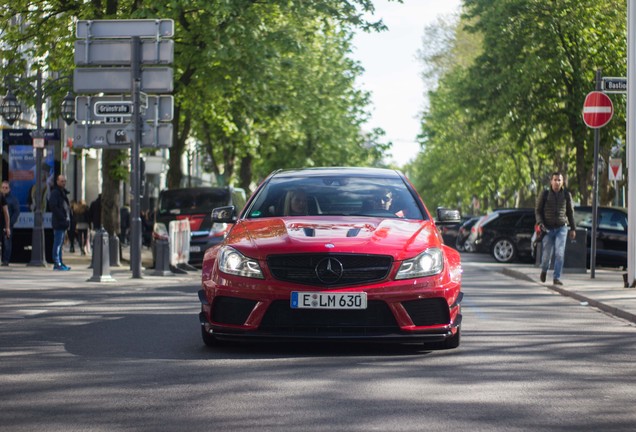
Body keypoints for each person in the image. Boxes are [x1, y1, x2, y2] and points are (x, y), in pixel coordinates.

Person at [535, 171, 576, 285]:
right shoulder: (544, 194)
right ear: (551, 181)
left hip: (561, 228)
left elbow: (570, 212)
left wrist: (573, 228)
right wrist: (540, 223)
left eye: (559, 180)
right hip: (547, 229)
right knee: (546, 255)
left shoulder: (567, 195)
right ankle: (544, 270)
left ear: (562, 182)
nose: (557, 182)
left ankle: (556, 277)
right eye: (555, 180)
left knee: (559, 253)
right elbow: (538, 211)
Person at [49, 175, 72, 271]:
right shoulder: (55, 193)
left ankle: (60, 262)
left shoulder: (61, 193)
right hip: (59, 222)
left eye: (64, 181)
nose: (63, 183)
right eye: (61, 181)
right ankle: (57, 263)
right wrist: (62, 218)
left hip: (63, 222)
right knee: (57, 243)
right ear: (57, 181)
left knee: (60, 243)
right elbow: (53, 206)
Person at [1, 181, 20, 266]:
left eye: (6, 188)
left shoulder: (13, 199)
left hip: (7, 225)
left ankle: (5, 260)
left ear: (9, 189)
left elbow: (16, 212)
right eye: (3, 187)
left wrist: (10, 223)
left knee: (7, 243)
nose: (4, 189)